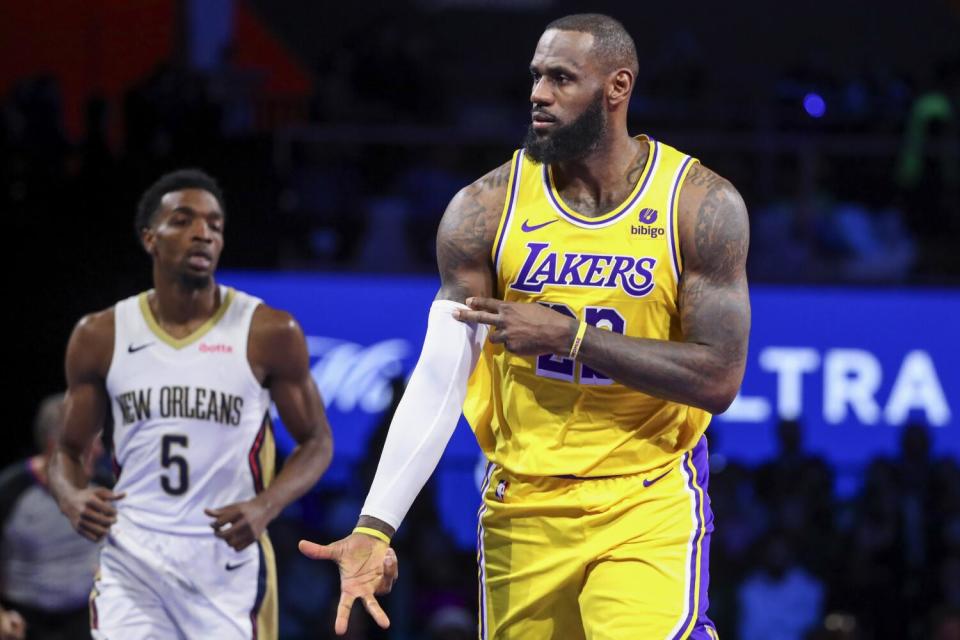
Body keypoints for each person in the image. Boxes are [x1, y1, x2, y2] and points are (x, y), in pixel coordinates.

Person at [300, 13, 749, 639]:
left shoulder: (699, 203)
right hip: (523, 501)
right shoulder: (483, 209)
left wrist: (572, 338)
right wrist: (375, 525)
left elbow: (719, 377)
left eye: (562, 79)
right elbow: (438, 378)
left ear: (617, 88)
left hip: (645, 494)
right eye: (537, 77)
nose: (539, 94)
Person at [48, 169, 379, 638]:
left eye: (214, 224)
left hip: (226, 562)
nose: (203, 233)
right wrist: (70, 496)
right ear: (150, 238)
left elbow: (317, 441)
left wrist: (265, 506)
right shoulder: (101, 334)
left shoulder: (269, 331)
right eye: (183, 221)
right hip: (133, 558)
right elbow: (66, 450)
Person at [0, 394, 102, 640]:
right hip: (24, 622)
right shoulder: (10, 491)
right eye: (89, 441)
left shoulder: (104, 488)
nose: (98, 450)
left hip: (86, 619)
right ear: (54, 445)